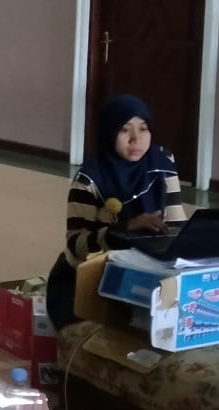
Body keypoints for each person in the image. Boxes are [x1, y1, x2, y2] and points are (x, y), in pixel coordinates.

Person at [46, 94, 186, 330]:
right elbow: (75, 245)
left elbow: (176, 223)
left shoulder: (162, 163)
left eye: (143, 128)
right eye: (124, 130)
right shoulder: (89, 180)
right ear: (109, 133)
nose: (136, 139)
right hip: (89, 279)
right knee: (96, 335)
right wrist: (124, 229)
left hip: (147, 273)